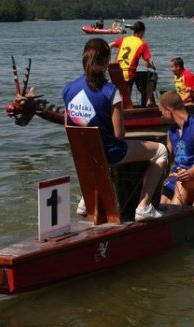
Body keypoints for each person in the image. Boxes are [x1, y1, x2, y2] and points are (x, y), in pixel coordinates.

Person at [64, 38, 167, 221]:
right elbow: (119, 134)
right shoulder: (111, 91)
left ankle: (85, 201)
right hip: (109, 154)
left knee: (97, 150)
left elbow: (69, 126)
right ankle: (144, 207)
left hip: (82, 155)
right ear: (106, 61)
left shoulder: (68, 89)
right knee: (160, 151)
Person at [158, 91, 194, 207]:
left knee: (181, 183)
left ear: (168, 110)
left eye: (161, 111)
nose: (161, 115)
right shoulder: (171, 131)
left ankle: (174, 218)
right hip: (176, 177)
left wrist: (190, 173)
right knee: (161, 202)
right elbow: (167, 158)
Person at [110, 21, 157, 103]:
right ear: (142, 32)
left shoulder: (124, 39)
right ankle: (148, 101)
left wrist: (109, 61)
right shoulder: (142, 43)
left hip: (115, 72)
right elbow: (146, 64)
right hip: (128, 74)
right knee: (152, 76)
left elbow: (109, 45)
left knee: (122, 97)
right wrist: (152, 66)